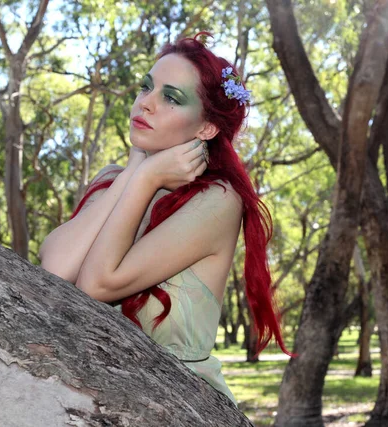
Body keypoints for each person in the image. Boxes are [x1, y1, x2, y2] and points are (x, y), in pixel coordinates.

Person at [39, 32, 293, 405]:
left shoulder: (218, 200)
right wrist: (133, 174)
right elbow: (56, 271)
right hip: (98, 396)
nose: (146, 103)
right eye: (146, 88)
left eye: (171, 97)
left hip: (183, 404)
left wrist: (145, 178)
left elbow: (97, 284)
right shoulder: (113, 179)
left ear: (206, 128)